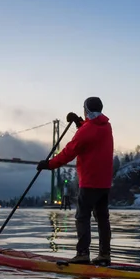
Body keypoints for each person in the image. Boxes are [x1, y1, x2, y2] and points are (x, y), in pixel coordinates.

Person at [37, 97, 114, 266]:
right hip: (104, 182)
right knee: (102, 218)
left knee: (82, 216)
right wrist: (79, 122)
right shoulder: (106, 126)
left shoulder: (86, 131)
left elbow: (68, 152)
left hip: (89, 181)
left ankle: (82, 254)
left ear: (86, 109)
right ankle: (104, 255)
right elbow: (92, 132)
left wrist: (49, 164)